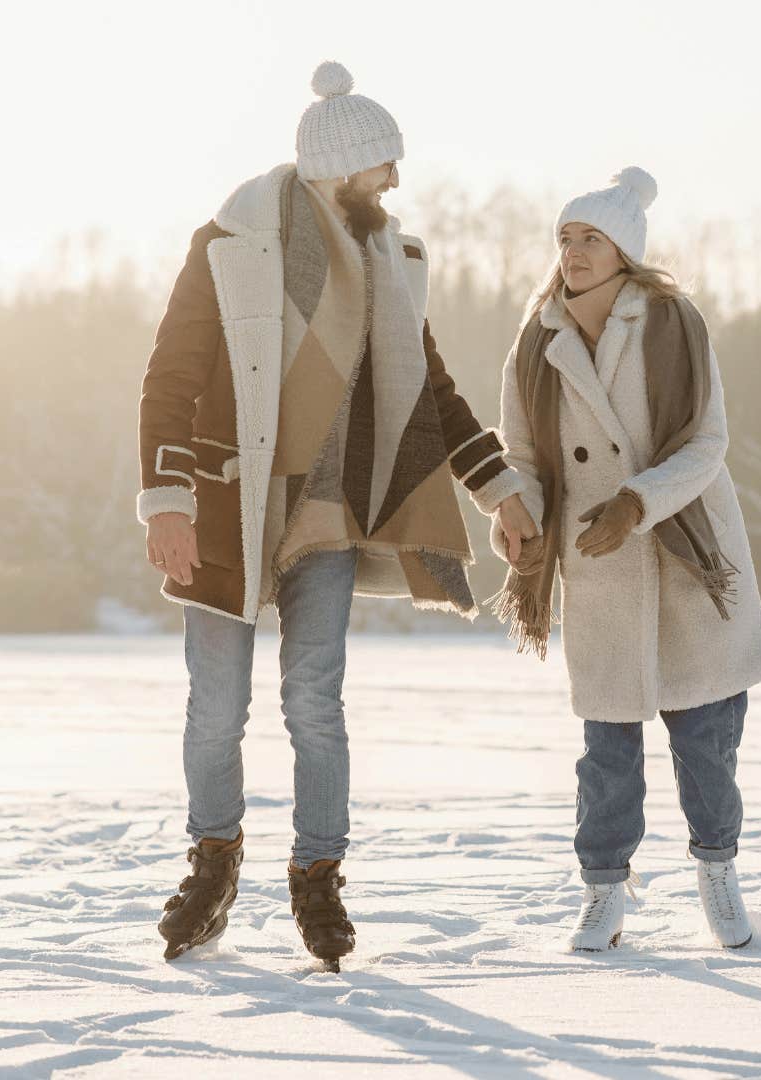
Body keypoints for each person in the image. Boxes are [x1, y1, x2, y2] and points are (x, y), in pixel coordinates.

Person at [136, 61, 531, 966]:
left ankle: (317, 878)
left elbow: (431, 391)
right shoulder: (229, 242)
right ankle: (214, 862)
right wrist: (167, 502)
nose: (394, 183)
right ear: (338, 169)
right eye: (381, 167)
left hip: (330, 519)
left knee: (315, 706)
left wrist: (500, 489)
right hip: (228, 506)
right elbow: (171, 378)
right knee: (214, 711)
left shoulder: (392, 263)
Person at [486, 167, 761, 951]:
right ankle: (605, 894)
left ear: (625, 252)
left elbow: (707, 442)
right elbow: (522, 455)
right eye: (565, 239)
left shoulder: (675, 322)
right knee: (606, 752)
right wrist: (520, 519)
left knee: (705, 740)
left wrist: (636, 503)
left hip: (683, 548)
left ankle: (718, 872)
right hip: (597, 563)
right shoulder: (537, 337)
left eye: (590, 240)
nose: (572, 253)